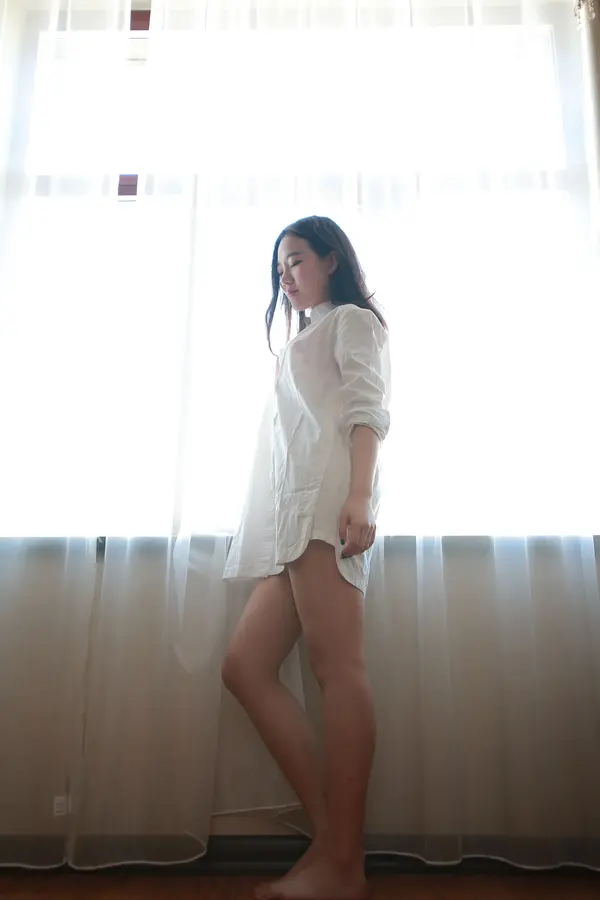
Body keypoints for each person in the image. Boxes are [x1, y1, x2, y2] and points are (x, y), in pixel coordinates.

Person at [222, 215, 391, 900]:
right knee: (244, 666)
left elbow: (368, 412)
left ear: (330, 258)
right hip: (294, 522)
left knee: (338, 670)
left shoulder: (354, 322)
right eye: (279, 268)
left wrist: (359, 498)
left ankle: (342, 862)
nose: (285, 276)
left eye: (295, 260)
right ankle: (332, 843)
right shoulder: (307, 334)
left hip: (327, 511)